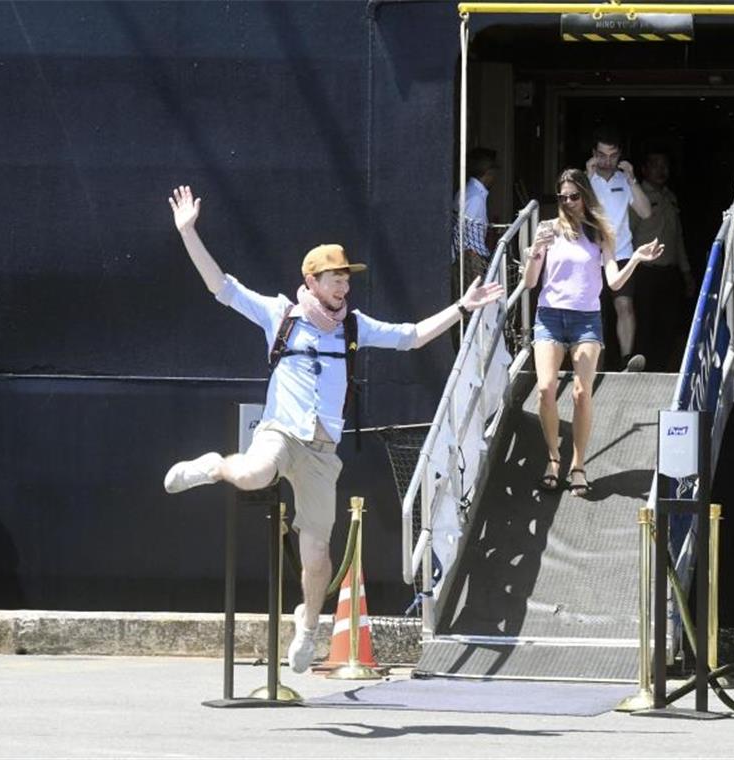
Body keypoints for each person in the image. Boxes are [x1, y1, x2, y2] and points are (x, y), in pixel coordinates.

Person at [161, 185, 503, 673]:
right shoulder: (281, 315)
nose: (343, 286)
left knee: (318, 549)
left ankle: (307, 627)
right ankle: (214, 466)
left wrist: (463, 308)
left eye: (346, 278)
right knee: (255, 474)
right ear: (312, 280)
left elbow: (410, 338)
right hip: (282, 431)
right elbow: (221, 287)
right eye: (334, 278)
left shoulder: (354, 326)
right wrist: (189, 232)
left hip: (323, 450)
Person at [522, 169, 663, 497]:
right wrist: (533, 253)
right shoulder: (547, 230)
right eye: (562, 197)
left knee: (581, 393)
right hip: (550, 317)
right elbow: (530, 282)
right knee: (545, 389)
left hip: (586, 319)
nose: (568, 202)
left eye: (574, 196)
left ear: (585, 196)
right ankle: (554, 459)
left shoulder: (601, 232)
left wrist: (637, 259)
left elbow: (613, 282)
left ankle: (579, 464)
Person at [585, 127, 652, 371]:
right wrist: (586, 176)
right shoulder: (583, 180)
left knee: (624, 306)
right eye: (602, 155)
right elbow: (573, 212)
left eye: (612, 155)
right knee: (593, 311)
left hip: (621, 253)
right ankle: (594, 364)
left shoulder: (625, 180)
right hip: (590, 256)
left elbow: (646, 212)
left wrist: (633, 179)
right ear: (593, 154)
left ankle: (627, 360)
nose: (607, 161)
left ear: (620, 155)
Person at [628, 150, 695, 371]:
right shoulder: (637, 198)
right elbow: (627, 234)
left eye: (664, 165)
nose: (661, 170)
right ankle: (641, 372)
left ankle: (661, 371)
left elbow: (678, 240)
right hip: (645, 272)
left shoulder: (670, 197)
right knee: (644, 325)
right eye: (655, 165)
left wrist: (686, 273)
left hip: (670, 273)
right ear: (644, 169)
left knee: (668, 326)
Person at [452, 146, 499, 306]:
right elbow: (468, 239)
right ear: (489, 172)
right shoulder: (475, 198)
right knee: (474, 311)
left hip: (465, 259)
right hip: (470, 261)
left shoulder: (467, 191)